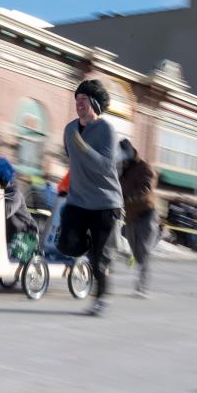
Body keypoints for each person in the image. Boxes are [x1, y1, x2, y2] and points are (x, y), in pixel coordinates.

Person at [57, 79, 124, 316]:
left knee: (98, 260)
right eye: (76, 100)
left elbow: (106, 167)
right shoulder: (69, 129)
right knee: (66, 244)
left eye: (83, 100)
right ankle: (96, 250)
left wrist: (84, 148)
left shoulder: (106, 129)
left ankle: (101, 297)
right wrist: (65, 185)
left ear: (94, 103)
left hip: (105, 202)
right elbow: (73, 164)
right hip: (78, 200)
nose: (78, 104)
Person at [118, 139, 159, 298]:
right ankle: (158, 235)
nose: (123, 159)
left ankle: (141, 286)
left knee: (143, 249)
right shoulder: (121, 168)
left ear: (130, 153)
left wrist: (128, 198)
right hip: (130, 214)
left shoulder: (144, 167)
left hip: (145, 212)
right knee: (134, 249)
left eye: (124, 156)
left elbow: (146, 188)